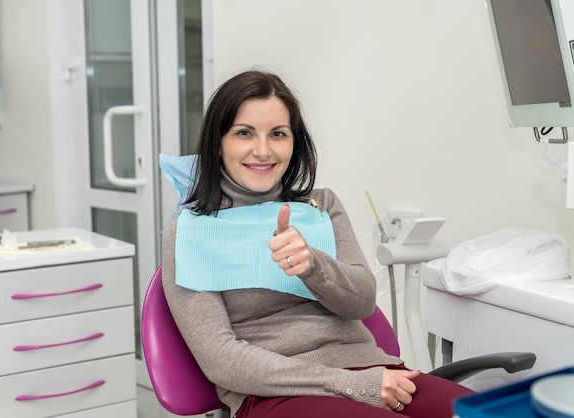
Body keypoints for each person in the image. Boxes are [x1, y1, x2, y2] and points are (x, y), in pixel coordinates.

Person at [161, 69, 473, 418]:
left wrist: (313, 265)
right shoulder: (190, 231)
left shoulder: (320, 206)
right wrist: (350, 386)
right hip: (274, 395)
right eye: (244, 133)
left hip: (376, 370)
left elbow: (361, 303)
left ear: (294, 142)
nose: (262, 151)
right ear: (218, 142)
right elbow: (221, 360)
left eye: (277, 134)